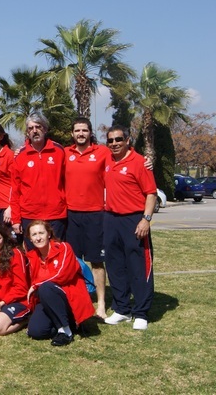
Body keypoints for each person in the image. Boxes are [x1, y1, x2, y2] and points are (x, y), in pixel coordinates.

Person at [102, 125, 157, 331]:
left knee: (138, 265)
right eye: (110, 140)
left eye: (118, 140)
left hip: (134, 219)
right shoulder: (106, 159)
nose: (114, 144)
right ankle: (122, 309)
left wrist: (146, 219)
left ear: (127, 140)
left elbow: (151, 194)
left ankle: (141, 312)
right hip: (111, 218)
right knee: (115, 264)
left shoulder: (140, 162)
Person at [64, 116, 110, 318]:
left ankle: (100, 304)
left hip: (95, 214)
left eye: (84, 130)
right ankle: (79, 301)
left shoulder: (102, 152)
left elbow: (122, 158)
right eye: (77, 131)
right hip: (71, 215)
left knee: (96, 261)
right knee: (73, 261)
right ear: (72, 134)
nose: (80, 134)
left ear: (90, 133)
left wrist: (146, 161)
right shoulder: (65, 153)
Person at [25, 220, 95, 346]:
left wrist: (36, 285)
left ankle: (65, 331)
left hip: (69, 297)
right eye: (34, 235)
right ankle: (70, 324)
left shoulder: (64, 248)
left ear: (49, 234)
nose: (38, 237)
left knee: (45, 288)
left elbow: (62, 275)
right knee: (36, 332)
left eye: (41, 233)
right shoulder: (32, 257)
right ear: (30, 239)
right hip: (47, 300)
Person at [10, 112, 67, 248]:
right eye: (30, 128)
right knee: (33, 257)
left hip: (56, 215)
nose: (34, 131)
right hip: (30, 216)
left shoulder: (59, 151)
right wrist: (16, 219)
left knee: (56, 254)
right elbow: (15, 190)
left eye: (38, 127)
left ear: (45, 129)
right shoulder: (20, 156)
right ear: (27, 132)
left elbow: (67, 182)